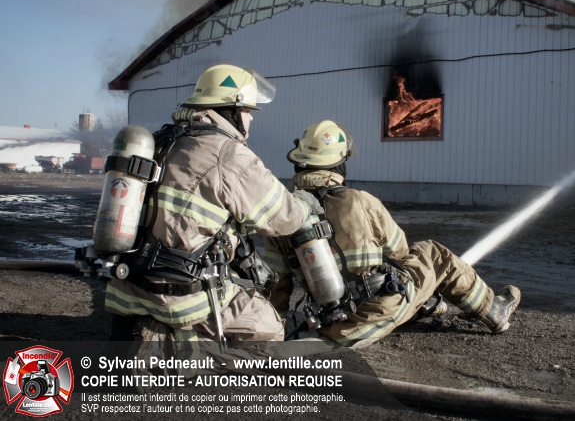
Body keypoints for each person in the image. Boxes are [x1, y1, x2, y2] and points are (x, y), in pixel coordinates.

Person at [104, 64, 321, 344]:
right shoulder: (228, 154)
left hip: (128, 285)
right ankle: (188, 354)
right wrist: (306, 201)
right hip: (180, 296)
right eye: (247, 110)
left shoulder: (161, 141)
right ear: (231, 109)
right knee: (268, 330)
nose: (251, 118)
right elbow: (284, 218)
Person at [264, 120, 521, 348]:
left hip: (333, 326)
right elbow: (400, 254)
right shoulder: (361, 201)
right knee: (433, 254)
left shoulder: (284, 214)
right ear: (339, 164)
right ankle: (494, 311)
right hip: (377, 316)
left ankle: (425, 304)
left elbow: (277, 285)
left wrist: (272, 339)